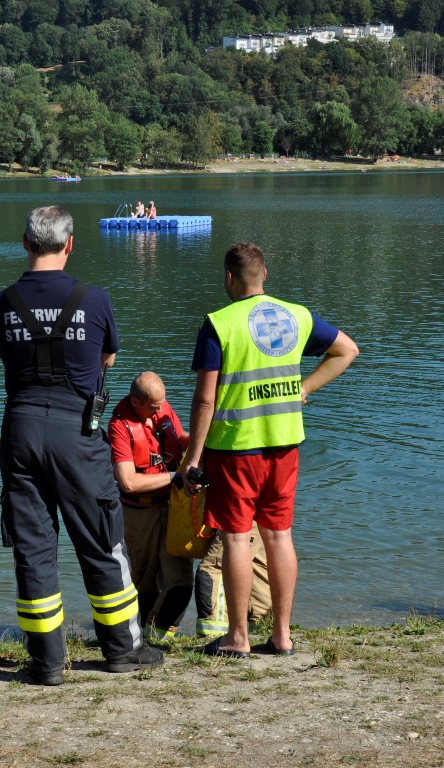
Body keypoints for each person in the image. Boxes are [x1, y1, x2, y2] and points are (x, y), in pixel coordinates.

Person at [0, 206, 163, 686]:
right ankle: (122, 650)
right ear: (69, 245)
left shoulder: (2, 303)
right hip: (78, 432)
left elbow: (5, 354)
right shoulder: (96, 299)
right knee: (103, 539)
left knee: (33, 546)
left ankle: (46, 662)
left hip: (20, 430)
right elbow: (106, 355)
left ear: (25, 243)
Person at [183, 242, 358, 656]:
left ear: (229, 277)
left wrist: (192, 457)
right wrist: (304, 388)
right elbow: (347, 350)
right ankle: (282, 636)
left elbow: (205, 400)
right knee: (279, 537)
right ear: (266, 275)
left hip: (234, 450)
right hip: (285, 446)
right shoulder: (297, 316)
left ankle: (238, 638)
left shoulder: (219, 323)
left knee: (237, 539)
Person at [106, 371, 193, 641]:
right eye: (154, 407)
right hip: (138, 511)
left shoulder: (162, 408)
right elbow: (128, 482)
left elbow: (181, 440)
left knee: (179, 577)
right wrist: (175, 477)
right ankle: (140, 635)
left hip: (172, 505)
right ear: (135, 402)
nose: (160, 411)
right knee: (142, 577)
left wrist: (205, 446)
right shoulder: (119, 426)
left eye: (162, 404)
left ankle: (161, 634)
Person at [193, 527, 272, 637]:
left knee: (213, 567)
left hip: (242, 515)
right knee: (257, 565)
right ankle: (262, 632)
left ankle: (214, 633)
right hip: (262, 516)